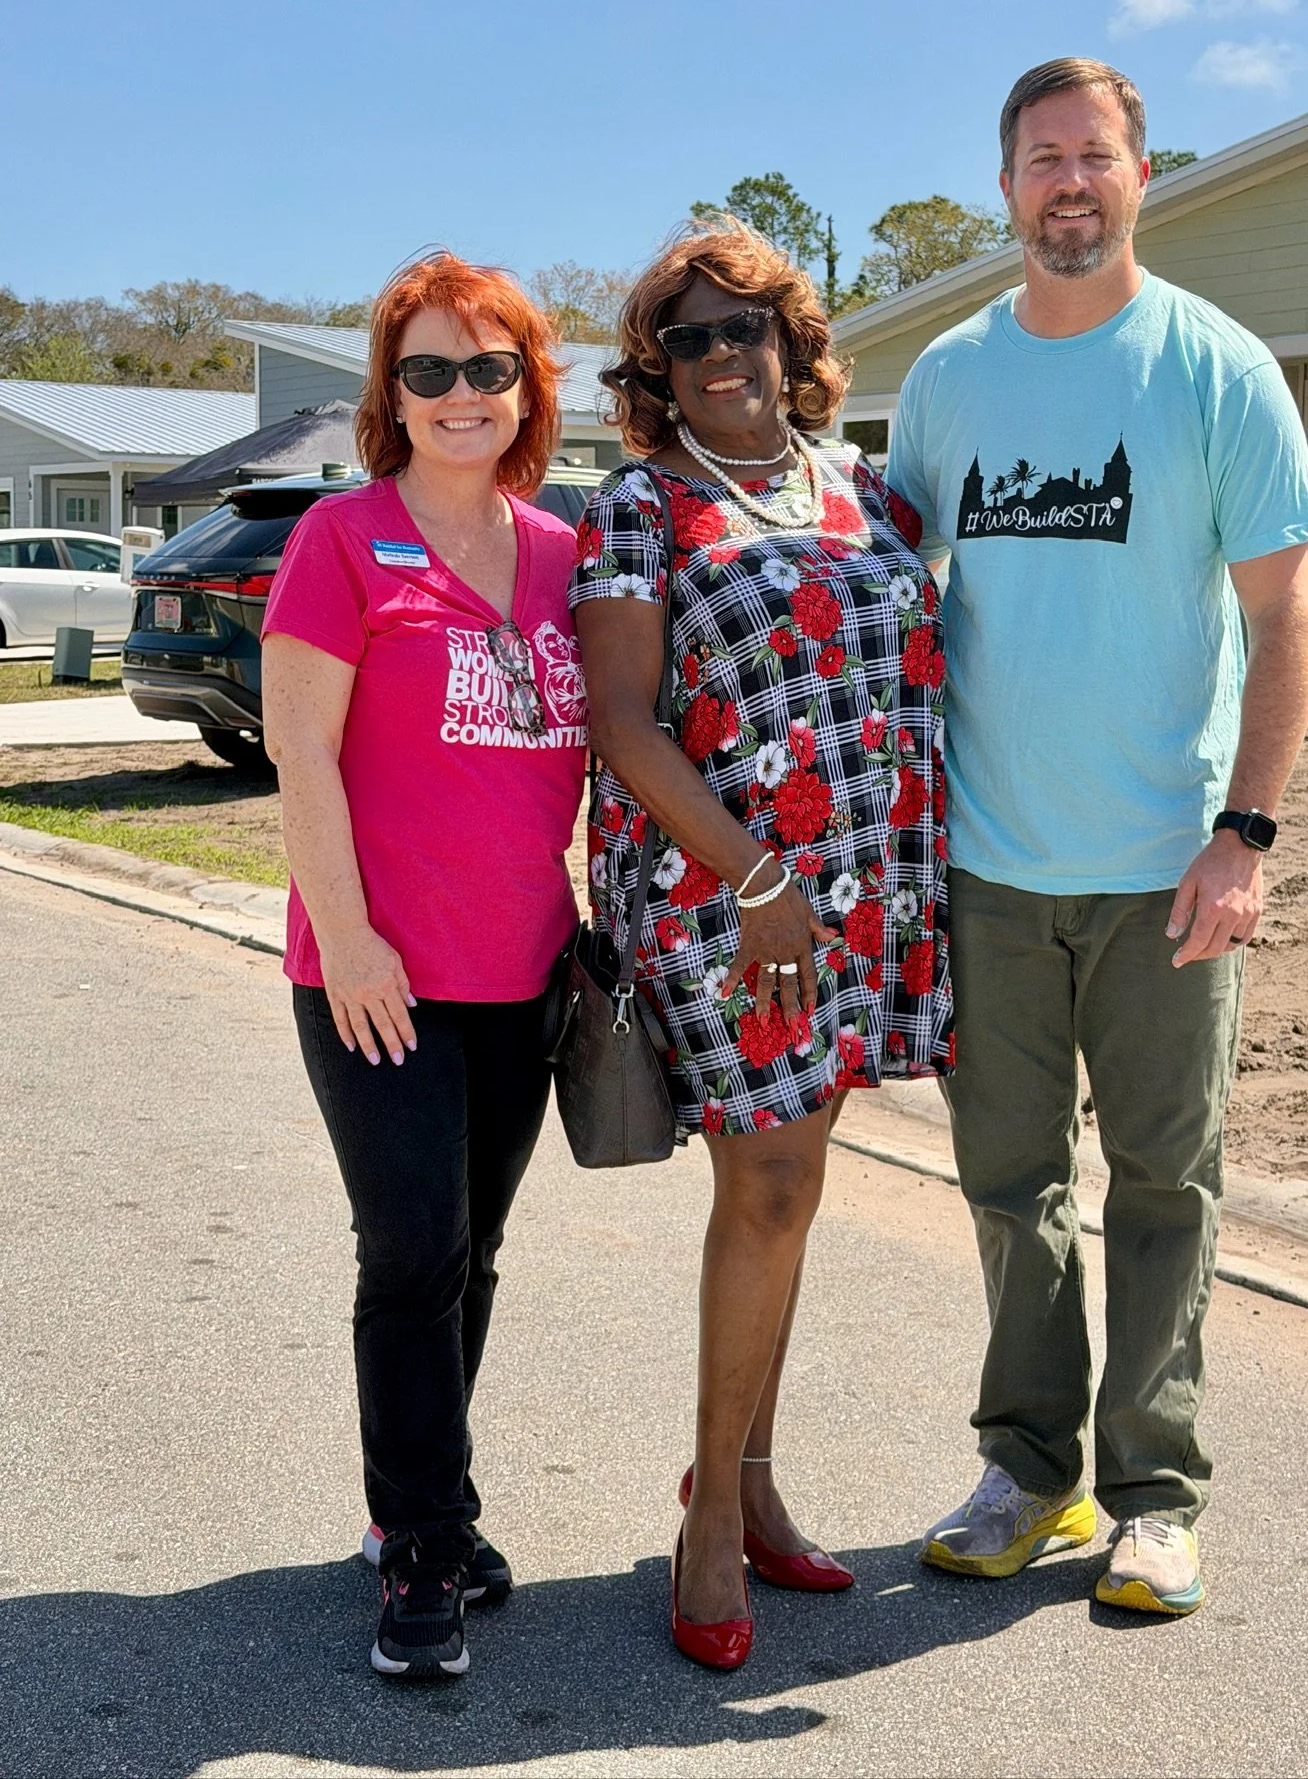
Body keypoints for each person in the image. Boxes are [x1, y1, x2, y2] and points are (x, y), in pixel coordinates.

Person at [887, 58, 1308, 1616]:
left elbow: (1285, 612)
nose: (1069, 181)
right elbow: (890, 593)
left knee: (1162, 1187)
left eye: (1096, 155)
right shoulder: (948, 379)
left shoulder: (1216, 370)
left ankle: (1154, 1490)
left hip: (1164, 877)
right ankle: (1029, 1472)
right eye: (1041, 157)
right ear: (1003, 186)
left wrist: (1244, 834)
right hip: (991, 870)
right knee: (1010, 1187)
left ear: (1144, 177)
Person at [573, 221, 952, 1670]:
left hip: (868, 890)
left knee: (793, 1193)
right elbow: (622, 720)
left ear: (794, 340)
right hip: (728, 900)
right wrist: (759, 877)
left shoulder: (870, 494)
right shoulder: (641, 509)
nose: (725, 355)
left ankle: (745, 1474)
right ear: (657, 371)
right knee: (773, 1183)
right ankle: (712, 1526)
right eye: (690, 337)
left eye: (748, 327)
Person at [262, 253, 586, 1678]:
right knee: (412, 1250)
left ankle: (436, 1499)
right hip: (374, 972)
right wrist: (352, 942)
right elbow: (300, 756)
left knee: (479, 1250)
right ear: (391, 396)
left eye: (490, 368)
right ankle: (417, 1546)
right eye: (430, 371)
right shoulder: (342, 540)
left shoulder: (571, 557)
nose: (463, 396)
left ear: (529, 390)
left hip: (522, 970)